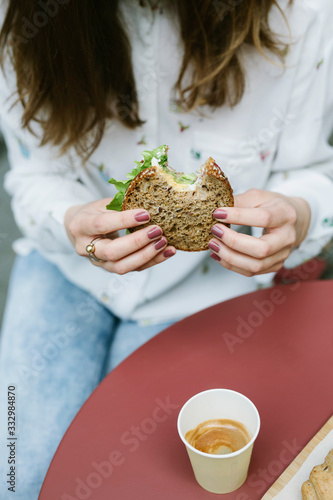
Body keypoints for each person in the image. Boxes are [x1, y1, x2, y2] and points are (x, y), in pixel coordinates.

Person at [0, 0, 333, 498]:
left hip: (208, 288)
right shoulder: (24, 15)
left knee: (132, 479)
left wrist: (301, 214)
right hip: (66, 270)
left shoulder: (299, 12)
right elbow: (32, 174)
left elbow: (311, 171)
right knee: (14, 474)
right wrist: (66, 220)